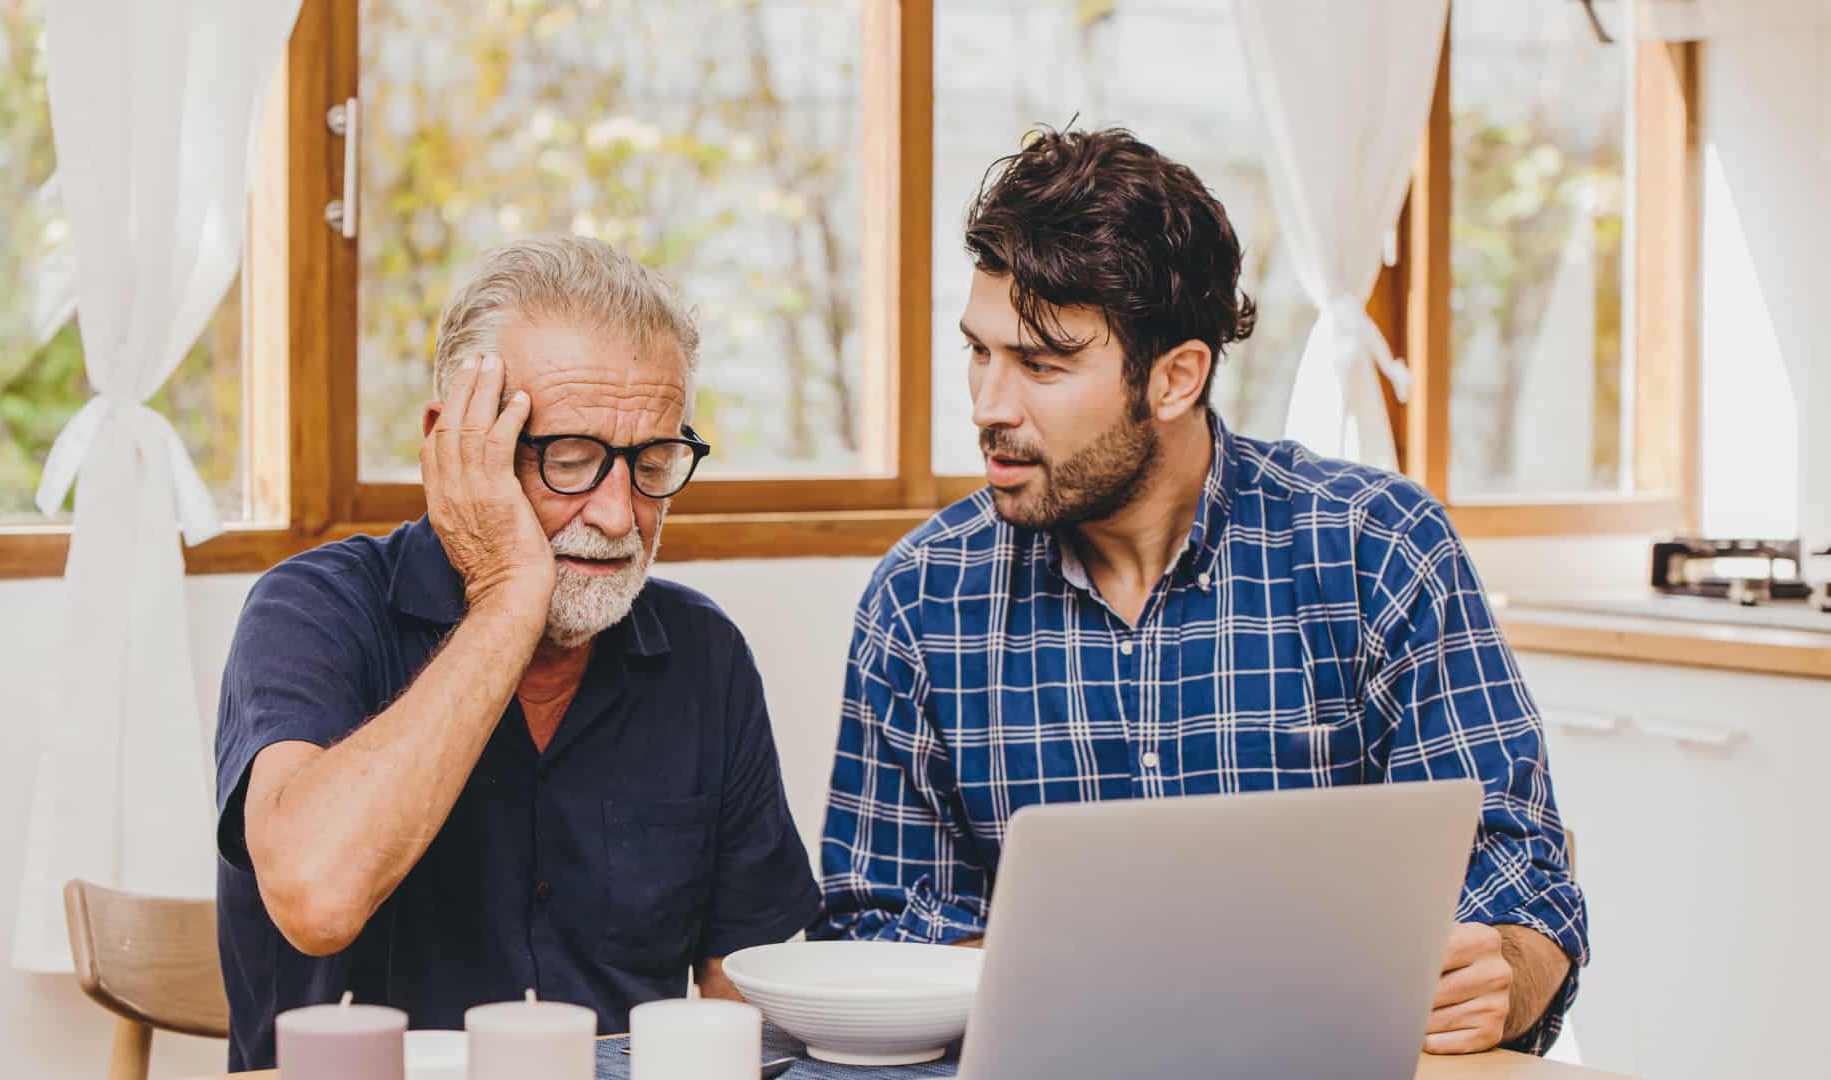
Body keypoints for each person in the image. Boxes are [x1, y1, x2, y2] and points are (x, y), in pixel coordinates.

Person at [811, 128, 1586, 1056]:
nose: (988, 405)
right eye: (979, 351)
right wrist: (1100, 991)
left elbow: (1524, 879)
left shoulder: (1379, 550)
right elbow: (874, 924)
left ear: (1177, 377)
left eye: (1042, 364)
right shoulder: (921, 599)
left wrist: (1504, 972)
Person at [214, 237, 818, 1069]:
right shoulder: (312, 609)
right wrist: (506, 598)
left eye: (652, 463)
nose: (618, 515)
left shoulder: (704, 656)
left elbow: (742, 996)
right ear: (454, 443)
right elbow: (318, 898)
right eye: (570, 462)